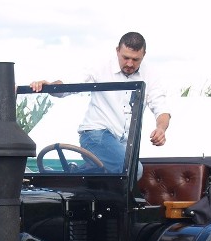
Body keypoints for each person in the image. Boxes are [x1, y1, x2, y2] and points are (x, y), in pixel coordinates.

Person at [30, 31, 171, 172]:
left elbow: (162, 109)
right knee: (133, 170)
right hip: (95, 135)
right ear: (117, 51)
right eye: (126, 58)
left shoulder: (151, 75)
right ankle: (70, 177)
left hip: (121, 144)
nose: (129, 63)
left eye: (135, 60)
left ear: (144, 55)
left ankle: (73, 176)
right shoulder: (100, 66)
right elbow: (70, 84)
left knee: (115, 178)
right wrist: (50, 87)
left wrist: (161, 128)